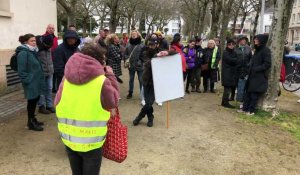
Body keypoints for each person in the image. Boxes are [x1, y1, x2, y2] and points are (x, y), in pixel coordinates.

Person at [55, 43, 119, 175]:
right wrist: (111, 76)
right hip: (92, 142)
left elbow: (57, 103)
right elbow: (113, 101)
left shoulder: (65, 79)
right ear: (98, 60)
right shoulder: (102, 81)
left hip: (69, 138)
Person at [133, 39, 176, 127]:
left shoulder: (161, 51)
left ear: (157, 45)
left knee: (149, 102)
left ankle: (139, 116)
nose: (152, 46)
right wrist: (157, 56)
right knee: (147, 101)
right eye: (150, 45)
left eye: (154, 45)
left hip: (156, 82)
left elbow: (175, 53)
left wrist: (167, 53)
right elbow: (148, 63)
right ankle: (150, 117)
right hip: (146, 80)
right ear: (148, 45)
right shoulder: (145, 53)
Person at [16, 34, 44, 131]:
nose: (34, 42)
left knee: (35, 100)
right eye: (32, 41)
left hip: (36, 81)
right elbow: (21, 71)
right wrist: (28, 80)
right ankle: (30, 123)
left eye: (35, 41)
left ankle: (33, 119)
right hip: (31, 82)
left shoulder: (32, 51)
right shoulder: (23, 53)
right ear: (25, 42)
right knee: (31, 102)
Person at [238, 34, 271, 115]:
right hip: (251, 75)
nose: (255, 40)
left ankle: (251, 111)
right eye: (255, 39)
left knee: (254, 94)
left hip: (259, 77)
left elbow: (267, 64)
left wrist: (256, 69)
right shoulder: (257, 50)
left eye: (256, 39)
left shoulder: (265, 50)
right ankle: (245, 109)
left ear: (261, 40)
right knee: (247, 93)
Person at [36, 34, 56, 114]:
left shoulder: (49, 47)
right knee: (41, 90)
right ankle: (41, 106)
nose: (50, 46)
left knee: (49, 89)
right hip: (41, 73)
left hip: (50, 71)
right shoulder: (38, 48)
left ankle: (49, 105)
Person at [124, 30, 145, 104]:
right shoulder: (128, 43)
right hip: (131, 65)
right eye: (132, 34)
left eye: (135, 34)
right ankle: (130, 92)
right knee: (131, 79)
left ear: (138, 35)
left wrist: (140, 61)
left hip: (140, 65)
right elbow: (125, 53)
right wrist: (127, 59)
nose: (133, 35)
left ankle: (142, 94)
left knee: (141, 80)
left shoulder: (142, 44)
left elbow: (144, 54)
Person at [235, 36, 252, 107]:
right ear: (239, 41)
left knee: (245, 87)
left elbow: (251, 58)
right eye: (242, 40)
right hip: (237, 71)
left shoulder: (248, 49)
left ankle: (244, 101)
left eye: (245, 40)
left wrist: (249, 65)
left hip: (246, 70)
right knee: (240, 87)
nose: (244, 41)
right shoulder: (235, 49)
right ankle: (240, 101)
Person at [221, 39, 238, 108]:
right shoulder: (225, 52)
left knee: (229, 88)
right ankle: (225, 102)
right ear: (227, 45)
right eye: (229, 44)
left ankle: (224, 101)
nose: (231, 46)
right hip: (226, 73)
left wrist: (234, 60)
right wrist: (234, 60)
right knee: (227, 88)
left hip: (232, 72)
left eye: (232, 44)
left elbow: (237, 60)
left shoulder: (234, 52)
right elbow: (229, 60)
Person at [44, 24, 58, 93]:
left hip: (55, 59)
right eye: (49, 28)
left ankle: (53, 88)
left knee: (54, 74)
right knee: (49, 75)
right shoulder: (43, 37)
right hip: (47, 59)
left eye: (52, 28)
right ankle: (48, 89)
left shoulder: (55, 38)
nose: (51, 29)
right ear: (47, 29)